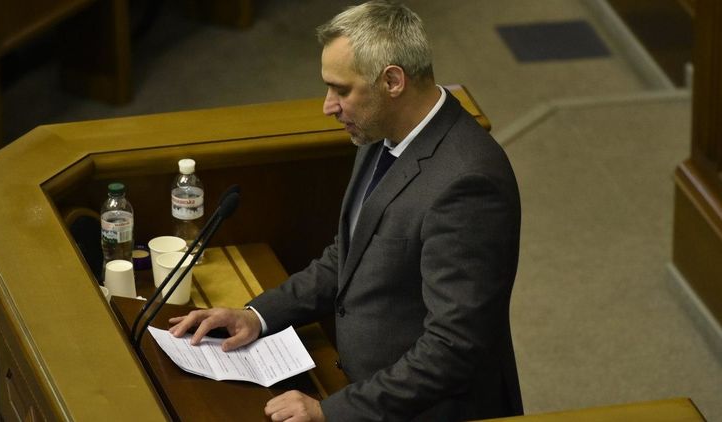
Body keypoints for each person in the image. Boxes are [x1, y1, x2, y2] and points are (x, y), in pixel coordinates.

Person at [169, 1, 523, 420]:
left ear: (392, 81)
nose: (328, 106)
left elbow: (452, 348)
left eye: (341, 90)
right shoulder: (380, 132)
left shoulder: (467, 183)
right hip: (363, 385)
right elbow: (350, 256)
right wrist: (257, 316)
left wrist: (333, 412)